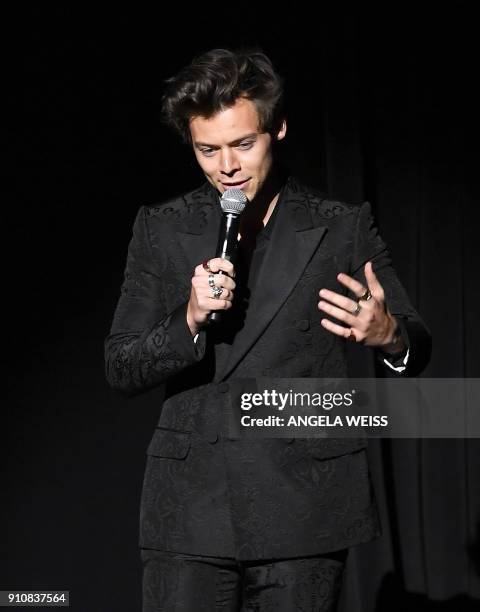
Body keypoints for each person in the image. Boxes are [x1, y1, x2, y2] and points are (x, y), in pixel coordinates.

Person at [104, 48, 431, 611]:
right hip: (189, 512)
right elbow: (121, 365)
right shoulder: (162, 228)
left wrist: (388, 335)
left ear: (277, 129)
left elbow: (416, 346)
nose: (226, 165)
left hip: (304, 504)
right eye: (208, 150)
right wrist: (188, 318)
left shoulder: (340, 226)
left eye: (243, 144)